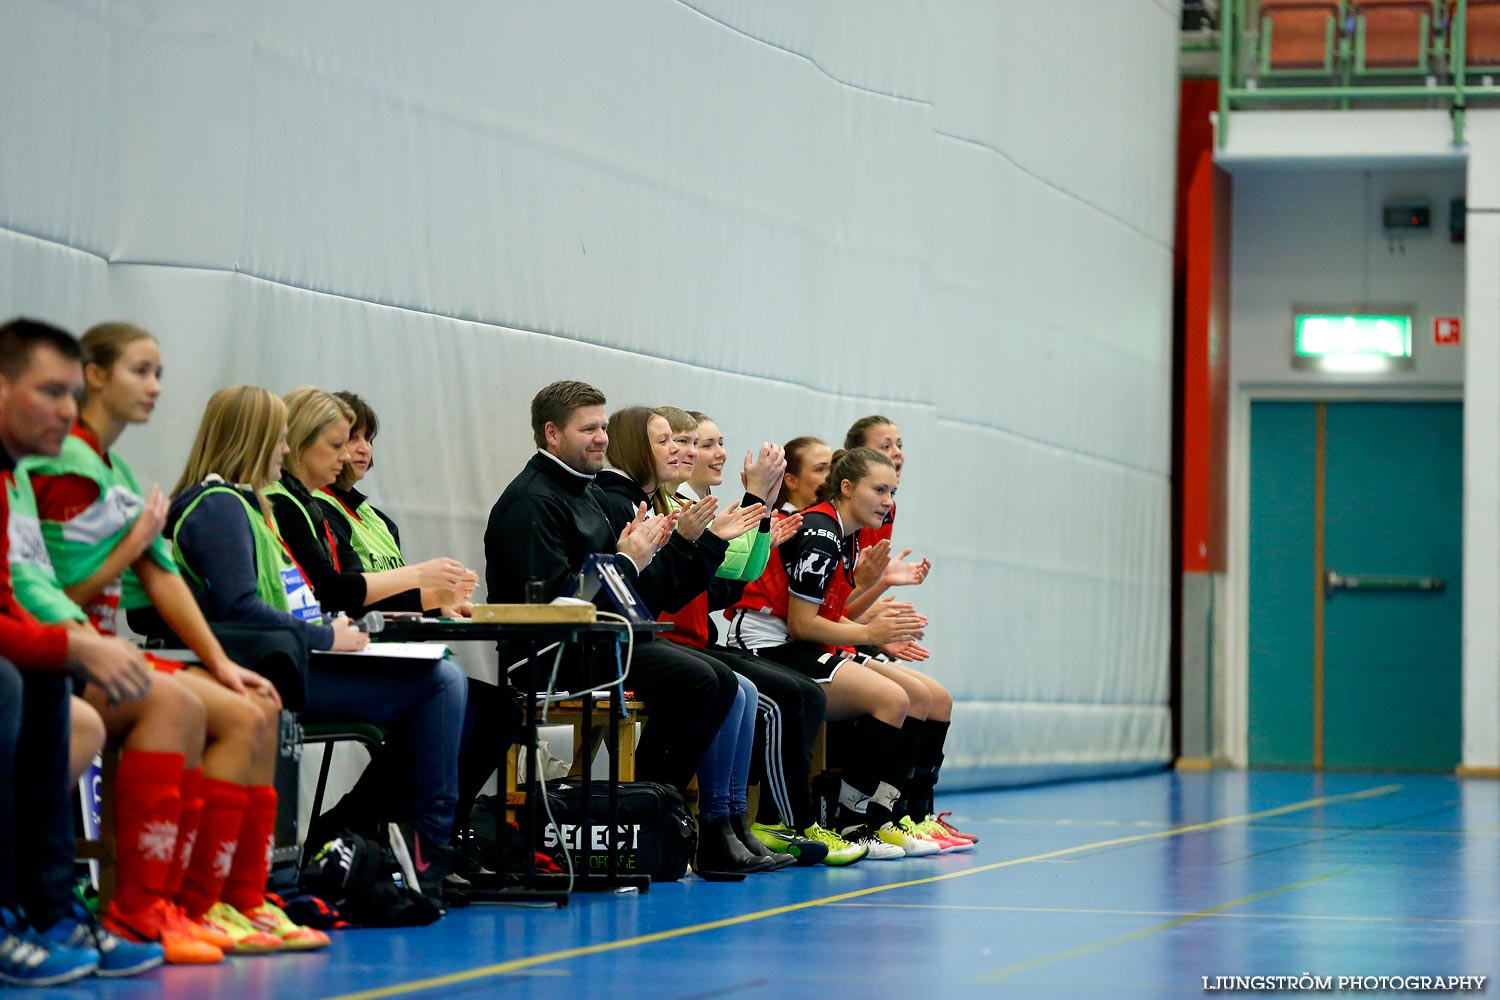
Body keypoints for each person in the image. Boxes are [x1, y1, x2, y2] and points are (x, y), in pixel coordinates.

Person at [13, 322, 325, 958]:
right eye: (140, 371)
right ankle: (148, 905)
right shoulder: (59, 466)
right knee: (181, 705)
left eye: (160, 373)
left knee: (254, 704)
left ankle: (223, 901)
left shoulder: (115, 468)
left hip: (83, 649)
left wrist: (220, 662)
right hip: (64, 652)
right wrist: (119, 565)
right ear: (95, 376)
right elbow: (48, 591)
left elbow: (159, 575)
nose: (155, 387)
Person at [165, 385, 466, 896]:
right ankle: (425, 850)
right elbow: (242, 609)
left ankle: (394, 842)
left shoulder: (246, 504)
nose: (283, 452)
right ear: (258, 439)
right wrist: (325, 633)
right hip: (270, 663)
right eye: (280, 440)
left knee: (446, 682)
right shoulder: (219, 507)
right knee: (440, 682)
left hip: (290, 653)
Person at [0, 318, 162, 984]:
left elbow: (10, 597)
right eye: (49, 392)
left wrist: (64, 646)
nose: (66, 410)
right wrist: (71, 641)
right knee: (15, 680)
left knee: (39, 677)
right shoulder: (52, 475)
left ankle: (49, 910)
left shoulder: (11, 476)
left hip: (42, 638)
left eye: (71, 394)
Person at [484, 381, 737, 806]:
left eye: (603, 426)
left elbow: (642, 593)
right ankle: (647, 810)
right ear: (552, 433)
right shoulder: (532, 501)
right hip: (549, 654)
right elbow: (556, 605)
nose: (602, 437)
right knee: (699, 681)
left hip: (598, 641)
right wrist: (627, 561)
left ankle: (661, 812)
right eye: (588, 429)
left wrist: (661, 551)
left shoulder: (585, 490)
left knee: (723, 681)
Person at [312, 390, 519, 864]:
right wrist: (426, 594)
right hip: (349, 655)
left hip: (399, 649)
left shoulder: (375, 518)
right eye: (351, 438)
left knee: (500, 709)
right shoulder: (315, 512)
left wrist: (442, 602)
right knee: (457, 704)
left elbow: (399, 595)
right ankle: (356, 827)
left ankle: (434, 833)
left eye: (368, 438)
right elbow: (343, 592)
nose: (362, 448)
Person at [725, 447, 945, 859]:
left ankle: (882, 817)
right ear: (846, 488)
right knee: (891, 698)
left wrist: (870, 628)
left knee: (914, 697)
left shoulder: (841, 535)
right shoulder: (821, 532)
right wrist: (868, 633)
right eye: (879, 489)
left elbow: (827, 616)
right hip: (763, 643)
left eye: (892, 492)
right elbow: (802, 624)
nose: (888, 501)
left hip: (794, 642)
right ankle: (853, 823)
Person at [664, 408, 858, 866]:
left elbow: (729, 581)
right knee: (766, 696)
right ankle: (748, 822)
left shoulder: (696, 508)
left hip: (697, 640)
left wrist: (762, 518)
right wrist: (758, 503)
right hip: (696, 641)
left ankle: (734, 822)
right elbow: (718, 587)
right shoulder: (675, 510)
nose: (710, 453)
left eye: (712, 442)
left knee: (795, 695)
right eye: (695, 443)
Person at [595, 406, 780, 877]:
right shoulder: (629, 503)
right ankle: (678, 816)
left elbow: (726, 580)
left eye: (692, 443)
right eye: (673, 442)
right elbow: (651, 593)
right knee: (723, 684)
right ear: (638, 447)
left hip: (665, 637)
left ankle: (727, 819)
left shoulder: (670, 506)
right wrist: (722, 527)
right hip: (642, 640)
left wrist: (747, 523)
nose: (689, 451)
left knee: (744, 689)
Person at [844, 415, 974, 847]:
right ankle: (874, 816)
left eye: (901, 445)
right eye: (886, 446)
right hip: (828, 640)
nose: (897, 454)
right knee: (909, 697)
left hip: (846, 630)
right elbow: (825, 603)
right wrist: (874, 627)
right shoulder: (829, 525)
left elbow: (848, 594)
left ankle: (914, 813)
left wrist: (880, 609)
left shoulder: (884, 511)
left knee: (938, 697)